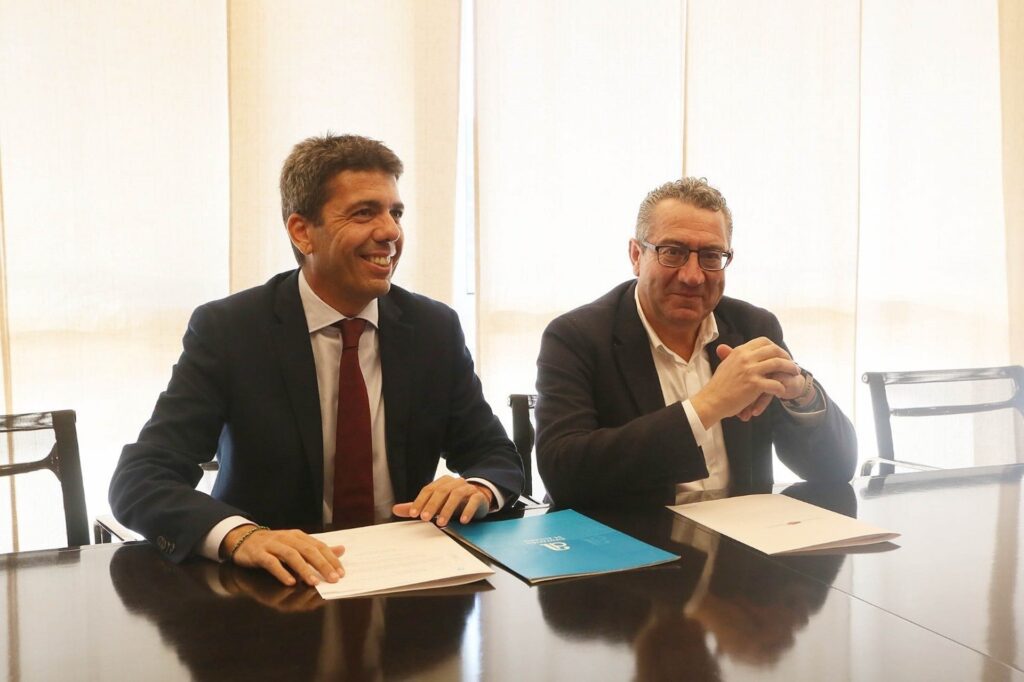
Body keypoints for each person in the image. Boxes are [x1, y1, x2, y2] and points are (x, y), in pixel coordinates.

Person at [110, 134, 523, 587]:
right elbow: (142, 478)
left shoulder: (432, 328)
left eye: (396, 213)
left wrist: (477, 487)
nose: (390, 232)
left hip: (408, 580)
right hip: (274, 589)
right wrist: (241, 537)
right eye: (364, 212)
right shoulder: (231, 330)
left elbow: (493, 454)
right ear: (302, 231)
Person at [535, 177, 856, 508]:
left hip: (742, 533)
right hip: (632, 534)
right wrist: (707, 405)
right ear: (636, 255)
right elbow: (563, 475)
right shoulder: (576, 336)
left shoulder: (753, 328)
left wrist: (801, 394)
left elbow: (836, 469)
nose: (693, 276)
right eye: (672, 252)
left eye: (711, 256)